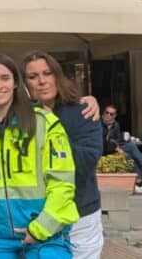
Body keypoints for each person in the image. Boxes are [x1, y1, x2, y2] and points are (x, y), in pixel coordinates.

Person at [0, 54, 78, 259]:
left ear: (16, 83)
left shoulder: (45, 124)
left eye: (5, 78)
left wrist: (40, 229)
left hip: (45, 235)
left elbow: (63, 184)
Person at [22, 52, 103, 259]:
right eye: (32, 77)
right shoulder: (20, 119)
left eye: (47, 73)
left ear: (57, 76)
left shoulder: (82, 110)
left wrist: (47, 123)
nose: (41, 81)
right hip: (37, 215)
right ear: (23, 84)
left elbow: (86, 159)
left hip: (80, 214)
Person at [101, 105, 142, 194]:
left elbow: (118, 139)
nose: (108, 115)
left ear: (115, 116)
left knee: (131, 146)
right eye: (107, 112)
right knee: (127, 156)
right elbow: (101, 142)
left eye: (111, 114)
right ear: (103, 113)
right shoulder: (97, 124)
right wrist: (116, 147)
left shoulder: (115, 124)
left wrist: (118, 144)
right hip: (103, 151)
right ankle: (140, 183)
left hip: (114, 148)